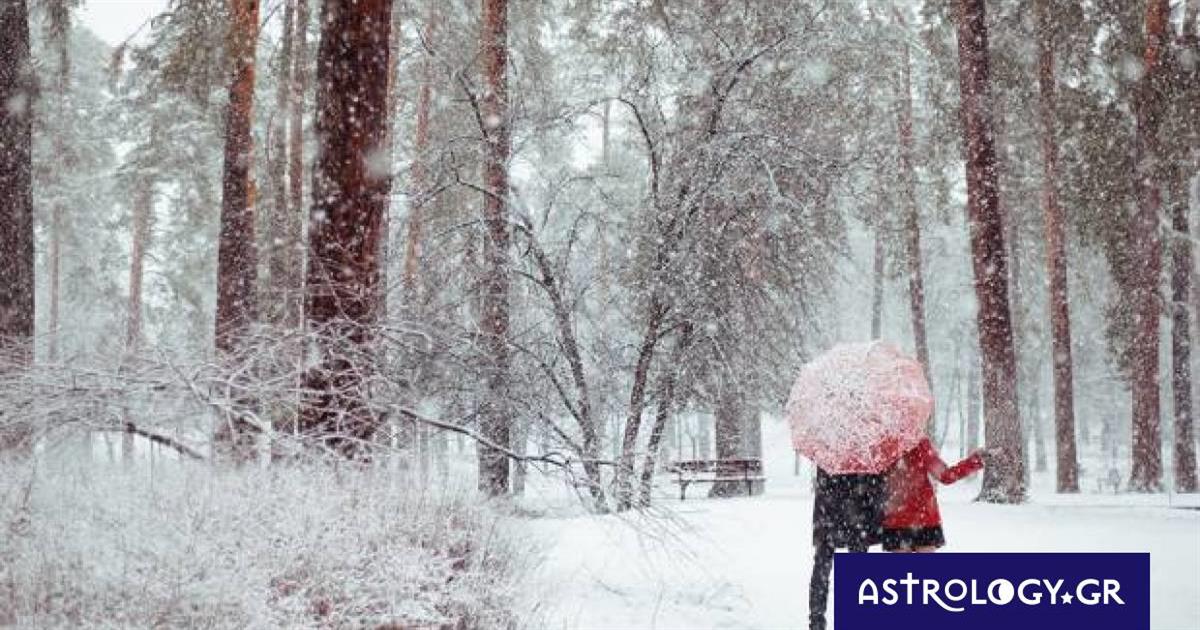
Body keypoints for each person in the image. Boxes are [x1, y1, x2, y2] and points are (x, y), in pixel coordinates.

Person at [808, 468, 885, 630]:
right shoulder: (862, 455)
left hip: (828, 517)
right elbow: (875, 488)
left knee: (822, 570)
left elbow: (822, 487)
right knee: (857, 573)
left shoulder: (828, 451)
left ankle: (816, 620)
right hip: (856, 519)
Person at [881, 438, 984, 552]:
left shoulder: (884, 444)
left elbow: (876, 481)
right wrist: (974, 461)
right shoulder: (918, 443)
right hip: (923, 516)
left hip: (896, 518)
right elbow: (945, 476)